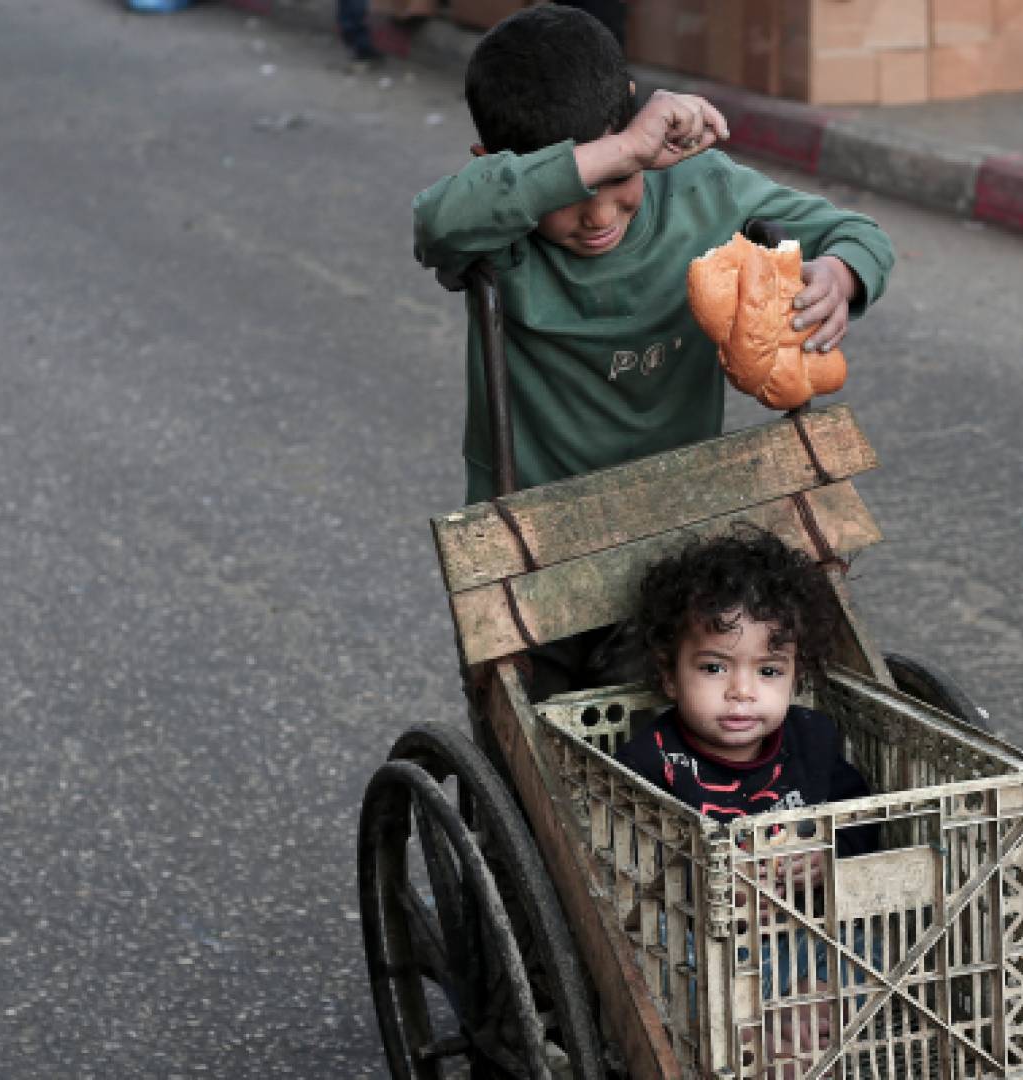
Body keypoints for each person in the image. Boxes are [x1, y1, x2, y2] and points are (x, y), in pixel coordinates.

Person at [412, 5, 896, 507]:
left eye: (620, 180)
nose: (599, 217)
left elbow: (858, 234)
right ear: (491, 167)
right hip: (535, 514)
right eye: (566, 194)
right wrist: (625, 152)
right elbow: (435, 220)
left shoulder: (699, 190)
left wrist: (839, 276)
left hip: (683, 498)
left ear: (630, 107)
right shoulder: (499, 225)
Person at [615, 527, 879, 860]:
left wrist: (827, 857)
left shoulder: (811, 740)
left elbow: (862, 820)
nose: (741, 692)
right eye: (714, 668)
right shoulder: (648, 765)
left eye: (768, 671)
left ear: (796, 676)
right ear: (670, 676)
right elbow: (632, 863)